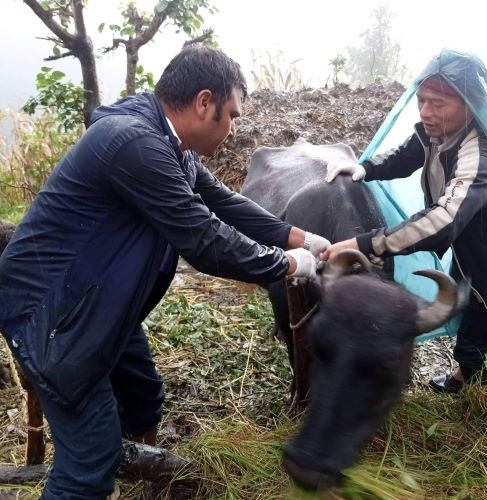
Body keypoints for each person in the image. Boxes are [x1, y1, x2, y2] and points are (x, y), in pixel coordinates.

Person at [0, 45, 329, 499]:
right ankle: (97, 473)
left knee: (142, 394)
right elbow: (206, 240)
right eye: (231, 115)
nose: (233, 129)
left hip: (102, 300)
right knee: (86, 463)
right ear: (203, 102)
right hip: (56, 313)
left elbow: (228, 205)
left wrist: (304, 240)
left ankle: (140, 481)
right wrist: (289, 264)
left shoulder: (173, 149)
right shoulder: (132, 142)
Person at [322, 49, 487, 393]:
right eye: (421, 100)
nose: (426, 112)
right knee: (469, 305)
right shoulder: (435, 133)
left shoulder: (483, 156)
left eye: (438, 103)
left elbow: (445, 219)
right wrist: (366, 168)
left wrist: (366, 244)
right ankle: (469, 370)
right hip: (471, 248)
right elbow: (405, 156)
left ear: (471, 103)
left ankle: (479, 394)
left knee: (486, 323)